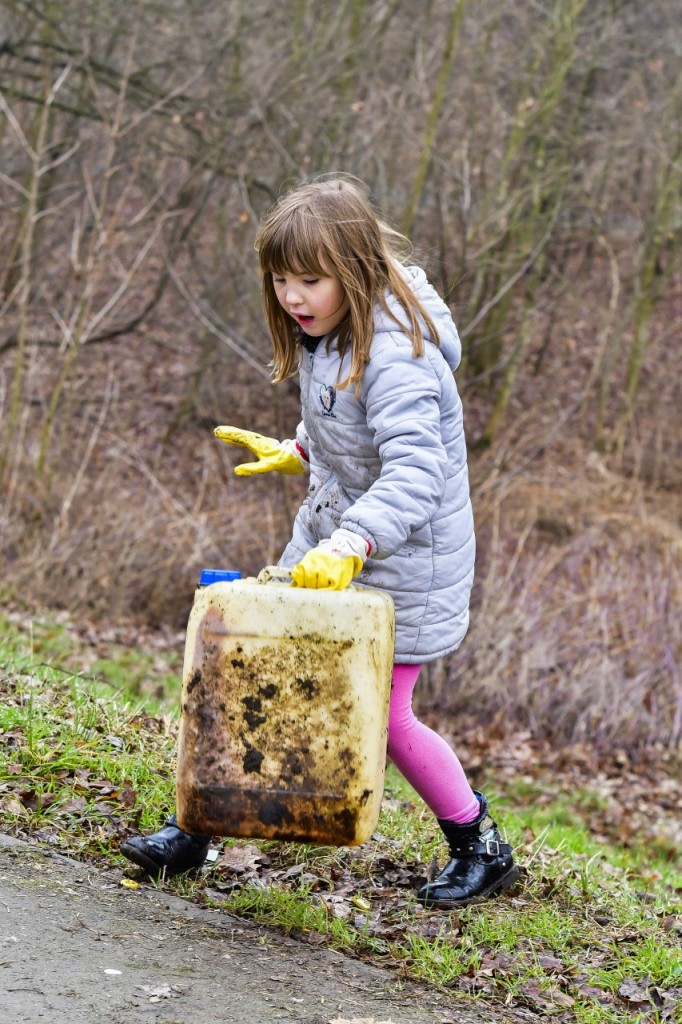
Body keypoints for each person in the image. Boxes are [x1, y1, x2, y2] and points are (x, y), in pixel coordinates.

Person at [121, 175, 519, 908]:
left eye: (310, 279)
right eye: (280, 280)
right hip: (336, 541)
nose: (293, 297)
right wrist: (300, 449)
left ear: (357, 270)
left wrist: (354, 542)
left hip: (402, 559)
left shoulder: (400, 352)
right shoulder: (333, 332)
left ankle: (481, 844)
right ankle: (200, 827)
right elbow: (348, 423)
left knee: (389, 719)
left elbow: (414, 470)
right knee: (257, 671)